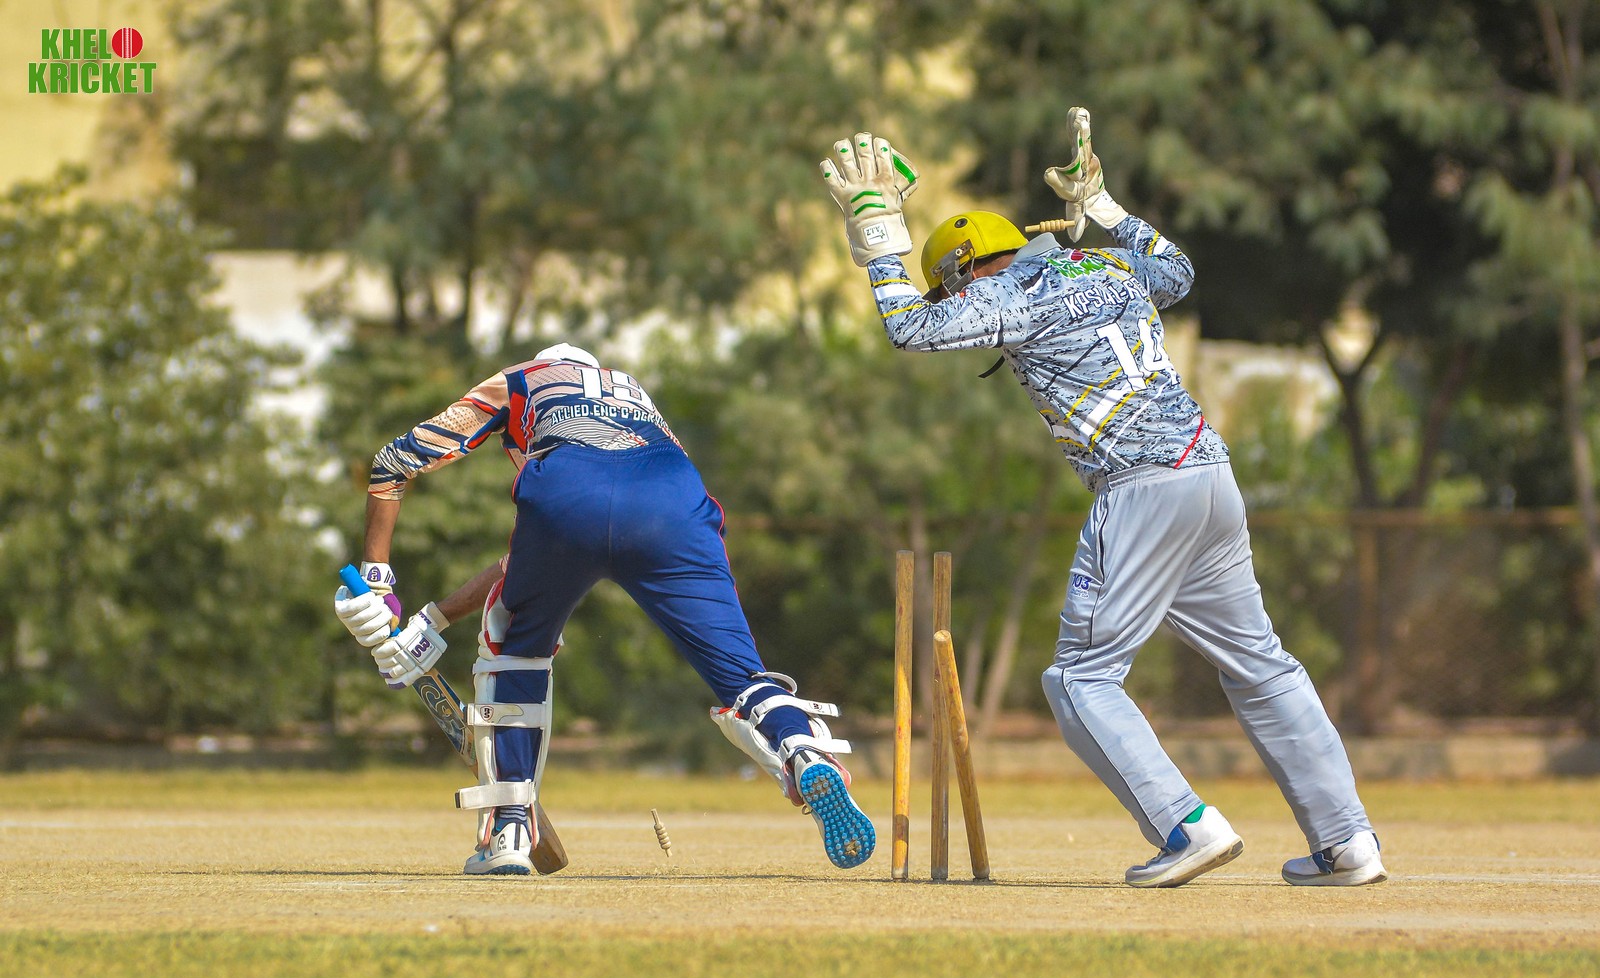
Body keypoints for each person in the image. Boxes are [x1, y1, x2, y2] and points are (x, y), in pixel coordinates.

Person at [820, 110, 1386, 888]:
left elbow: (910, 328)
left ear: (965, 272)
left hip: (1140, 490)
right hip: (1210, 477)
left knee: (1079, 679)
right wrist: (1106, 208)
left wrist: (878, 230)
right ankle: (1348, 843)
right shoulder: (1108, 267)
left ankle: (1188, 827)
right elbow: (1177, 270)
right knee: (1261, 666)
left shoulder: (1006, 292)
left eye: (953, 288)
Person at [333, 343, 874, 875]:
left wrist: (379, 584)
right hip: (674, 503)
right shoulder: (634, 395)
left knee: (513, 637)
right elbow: (557, 540)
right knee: (740, 674)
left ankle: (509, 828)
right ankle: (801, 749)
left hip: (567, 496)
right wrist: (432, 619)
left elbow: (393, 463)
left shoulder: (522, 381)